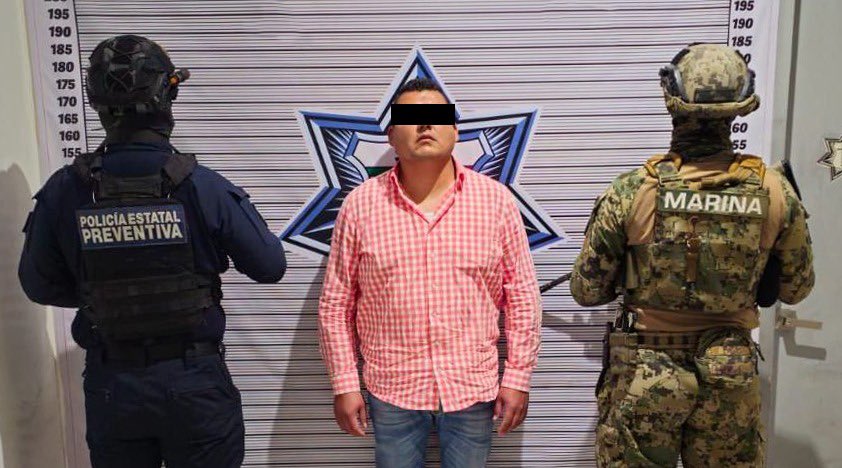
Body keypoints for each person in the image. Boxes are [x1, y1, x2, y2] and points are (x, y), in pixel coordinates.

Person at [18, 35, 287, 468]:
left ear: (96, 102)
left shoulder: (65, 190)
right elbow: (270, 265)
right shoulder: (200, 185)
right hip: (193, 383)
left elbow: (38, 285)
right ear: (167, 94)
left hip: (114, 387)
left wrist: (103, 291)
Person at [570, 43, 815, 467]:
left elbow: (586, 291)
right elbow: (796, 290)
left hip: (645, 373)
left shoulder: (634, 191)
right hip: (729, 371)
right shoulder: (776, 192)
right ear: (741, 105)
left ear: (671, 99)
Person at [318, 78, 542, 468]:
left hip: (473, 387)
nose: (425, 125)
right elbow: (336, 304)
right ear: (392, 135)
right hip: (392, 388)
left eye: (436, 116)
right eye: (411, 117)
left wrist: (518, 377)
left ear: (454, 130)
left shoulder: (496, 203)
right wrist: (344, 383)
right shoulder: (360, 206)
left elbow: (522, 295)